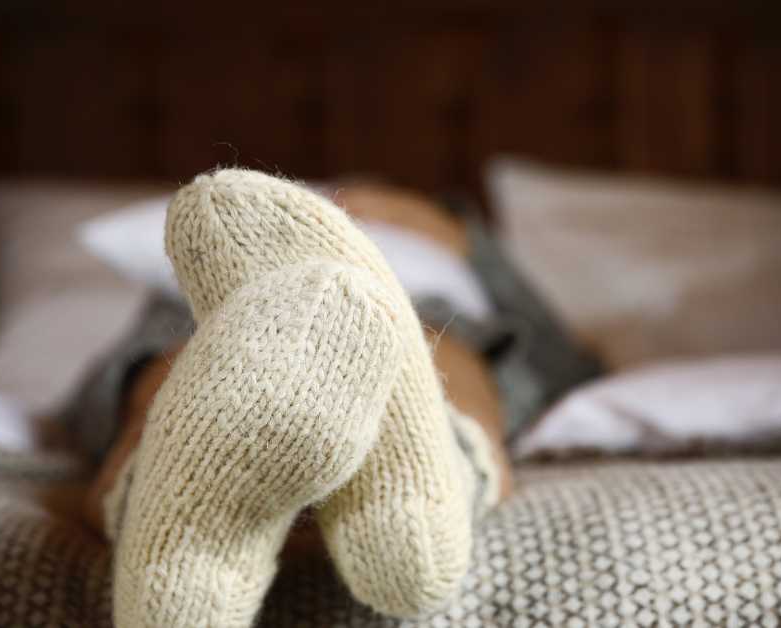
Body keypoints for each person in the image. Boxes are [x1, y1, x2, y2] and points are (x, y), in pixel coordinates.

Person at [80, 170, 518, 627]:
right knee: (201, 352)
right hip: (221, 305)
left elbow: (556, 351)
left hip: (433, 308)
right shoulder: (172, 284)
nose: (346, 205)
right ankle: (422, 518)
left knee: (440, 347)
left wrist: (461, 238)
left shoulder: (457, 235)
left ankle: (172, 551)